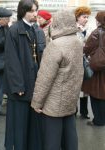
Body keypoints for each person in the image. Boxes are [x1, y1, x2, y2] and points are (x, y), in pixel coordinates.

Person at [31, 9, 84, 150]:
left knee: (52, 140)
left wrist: (37, 102)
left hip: (54, 102)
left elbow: (45, 78)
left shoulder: (55, 45)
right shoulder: (77, 42)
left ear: (59, 23)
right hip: (71, 98)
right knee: (70, 136)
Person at [4, 0, 46, 150]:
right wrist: (18, 85)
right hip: (21, 86)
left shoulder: (37, 30)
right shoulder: (14, 30)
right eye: (32, 11)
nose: (36, 14)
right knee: (20, 123)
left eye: (36, 10)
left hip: (35, 83)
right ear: (23, 11)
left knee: (34, 122)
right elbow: (11, 60)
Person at [82, 11, 105, 126]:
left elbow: (87, 48)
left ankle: (98, 120)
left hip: (97, 67)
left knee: (96, 93)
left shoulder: (97, 33)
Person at [75, 6, 91, 119]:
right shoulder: (73, 28)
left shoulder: (87, 29)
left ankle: (84, 112)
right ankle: (73, 111)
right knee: (75, 87)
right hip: (74, 62)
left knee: (84, 87)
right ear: (77, 17)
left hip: (84, 61)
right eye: (84, 17)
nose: (86, 19)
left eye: (87, 17)